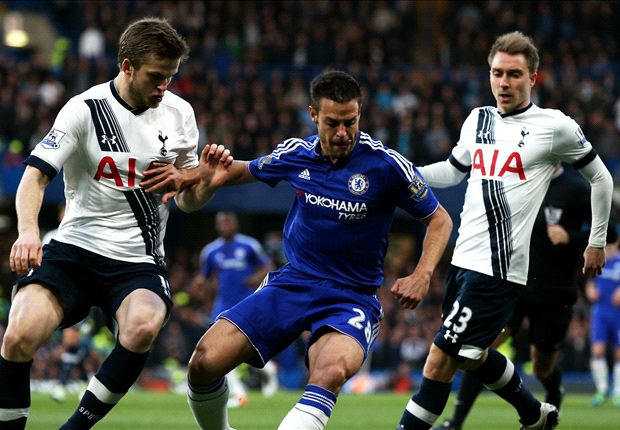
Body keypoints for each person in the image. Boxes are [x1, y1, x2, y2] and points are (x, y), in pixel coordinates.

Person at [175, 70, 453, 430]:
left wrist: (422, 273)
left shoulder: (387, 166)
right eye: (333, 123)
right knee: (203, 362)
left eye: (350, 122)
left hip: (350, 297)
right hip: (294, 282)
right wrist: (202, 176)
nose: (343, 133)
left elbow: (440, 219)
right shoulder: (298, 153)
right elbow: (246, 170)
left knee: (329, 371)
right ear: (313, 115)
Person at [0, 17, 231, 430]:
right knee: (18, 335)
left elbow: (189, 200)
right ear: (127, 66)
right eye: (156, 77)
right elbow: (34, 176)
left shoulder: (180, 114)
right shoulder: (84, 109)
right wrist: (29, 233)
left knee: (143, 325)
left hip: (137, 260)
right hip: (74, 249)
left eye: (171, 77)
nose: (164, 87)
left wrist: (206, 184)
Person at [396, 31, 613, 430]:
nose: (504, 83)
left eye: (514, 74)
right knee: (470, 355)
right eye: (497, 73)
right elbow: (452, 171)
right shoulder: (478, 119)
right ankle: (533, 415)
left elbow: (601, 179)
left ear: (533, 77)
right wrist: (402, 177)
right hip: (462, 261)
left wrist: (596, 241)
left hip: (497, 269)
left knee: (439, 358)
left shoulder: (554, 127)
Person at [433, 165, 611, 429]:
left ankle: (553, 396)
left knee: (541, 367)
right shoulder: (517, 182)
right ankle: (455, 422)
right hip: (513, 284)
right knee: (478, 349)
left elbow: (610, 234)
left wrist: (571, 236)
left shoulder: (576, 189)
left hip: (554, 290)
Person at [195, 211, 278, 407]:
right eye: (221, 222)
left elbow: (268, 267)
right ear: (217, 226)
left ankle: (269, 372)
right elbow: (204, 277)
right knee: (221, 350)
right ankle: (239, 394)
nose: (225, 225)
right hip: (222, 306)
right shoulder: (211, 251)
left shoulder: (249, 245)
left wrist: (256, 279)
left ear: (235, 224)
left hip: (246, 303)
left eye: (228, 222)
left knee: (249, 350)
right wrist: (200, 290)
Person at [586, 228, 620, 407]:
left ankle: (618, 391)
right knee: (597, 350)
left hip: (618, 313)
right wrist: (591, 291)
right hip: (601, 312)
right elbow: (590, 283)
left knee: (618, 353)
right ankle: (602, 389)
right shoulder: (600, 260)